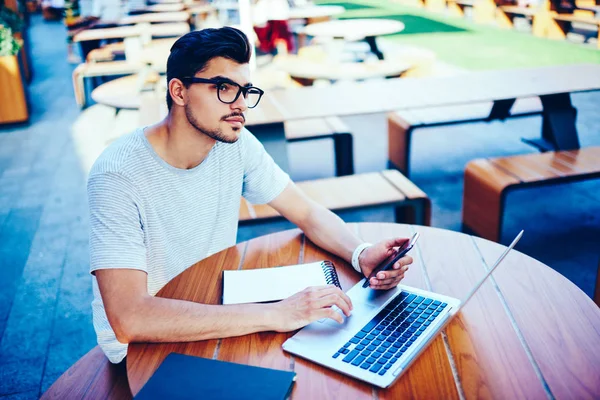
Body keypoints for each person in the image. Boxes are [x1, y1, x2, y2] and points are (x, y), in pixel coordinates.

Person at [88, 26, 414, 364]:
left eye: (245, 90)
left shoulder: (235, 144)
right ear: (179, 91)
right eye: (224, 88)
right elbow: (130, 319)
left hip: (214, 306)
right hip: (144, 347)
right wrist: (277, 313)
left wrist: (360, 254)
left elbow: (306, 212)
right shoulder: (118, 174)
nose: (241, 105)